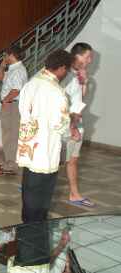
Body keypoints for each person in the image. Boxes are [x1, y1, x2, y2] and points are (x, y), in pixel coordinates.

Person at [17, 49, 74, 224]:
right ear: (62, 68)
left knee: (28, 189)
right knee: (42, 195)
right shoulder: (57, 91)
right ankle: (37, 225)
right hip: (46, 150)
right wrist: (70, 129)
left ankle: (27, 223)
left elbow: (22, 110)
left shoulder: (31, 84)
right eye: (67, 70)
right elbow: (61, 125)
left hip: (29, 146)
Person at [62, 42, 94, 207]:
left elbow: (80, 98)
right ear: (78, 55)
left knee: (73, 160)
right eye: (87, 56)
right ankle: (31, 187)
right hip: (67, 124)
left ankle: (74, 194)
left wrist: (85, 82)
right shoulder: (65, 73)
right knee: (53, 160)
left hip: (76, 122)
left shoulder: (78, 74)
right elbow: (62, 101)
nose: (89, 60)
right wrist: (71, 126)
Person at [0, 45, 28, 175]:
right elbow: (1, 78)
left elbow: (16, 90)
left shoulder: (19, 70)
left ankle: (11, 164)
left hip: (12, 105)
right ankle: (8, 162)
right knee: (7, 134)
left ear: (11, 55)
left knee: (12, 135)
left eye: (5, 55)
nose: (4, 57)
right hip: (10, 103)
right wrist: (2, 67)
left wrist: (5, 101)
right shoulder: (13, 69)